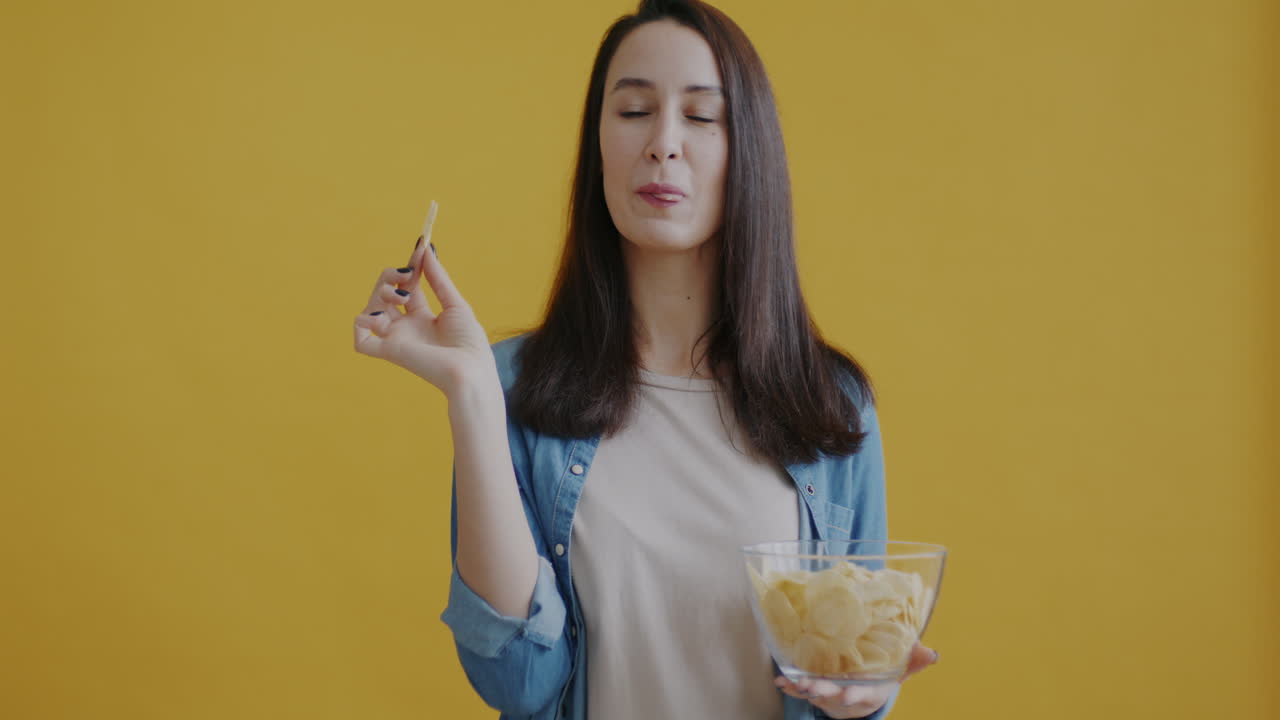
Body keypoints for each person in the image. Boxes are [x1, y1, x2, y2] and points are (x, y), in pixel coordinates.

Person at [353, 1, 938, 717]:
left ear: (746, 149)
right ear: (597, 143)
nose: (664, 143)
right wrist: (473, 395)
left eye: (701, 117)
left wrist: (862, 693)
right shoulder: (515, 387)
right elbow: (518, 683)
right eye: (632, 111)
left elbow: (854, 671)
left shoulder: (834, 403)